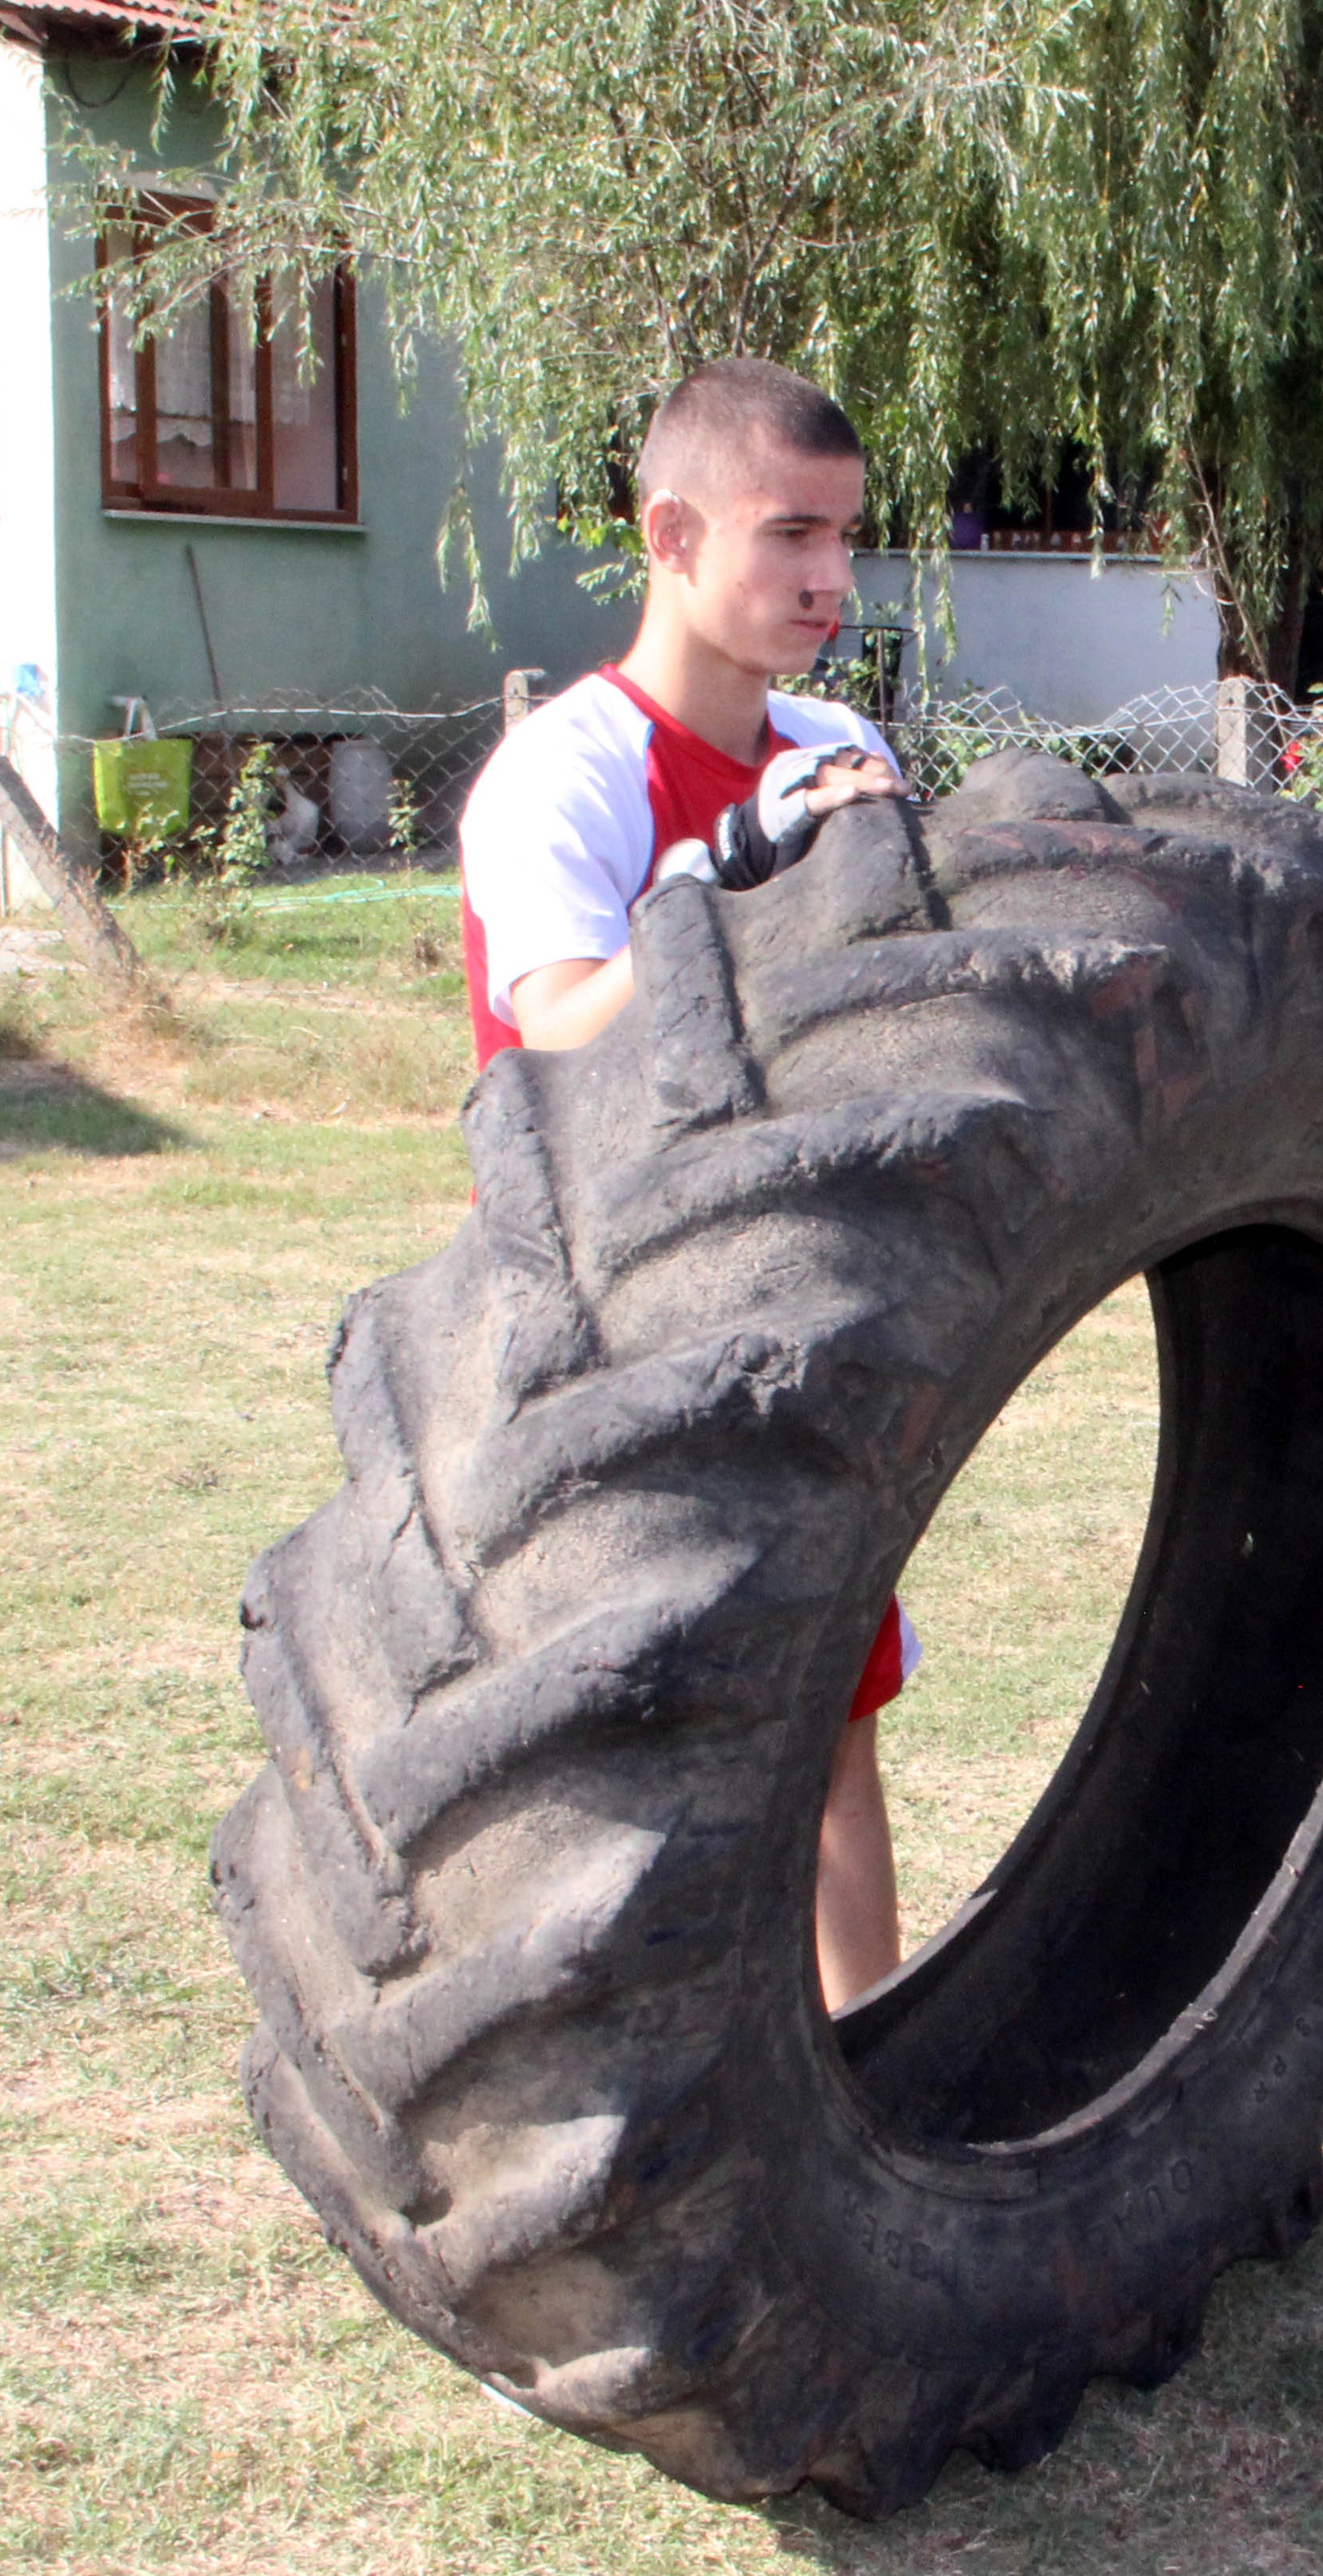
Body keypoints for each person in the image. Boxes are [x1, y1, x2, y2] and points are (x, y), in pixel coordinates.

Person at [454, 356, 917, 2010]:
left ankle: (872, 2050)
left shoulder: (836, 744)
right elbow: (562, 1023)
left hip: (791, 1293)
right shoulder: (571, 773)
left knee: (832, 1707)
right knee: (623, 1733)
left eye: (847, 540)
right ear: (669, 531)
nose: (830, 583)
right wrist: (734, 867)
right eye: (791, 535)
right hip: (602, 1320)